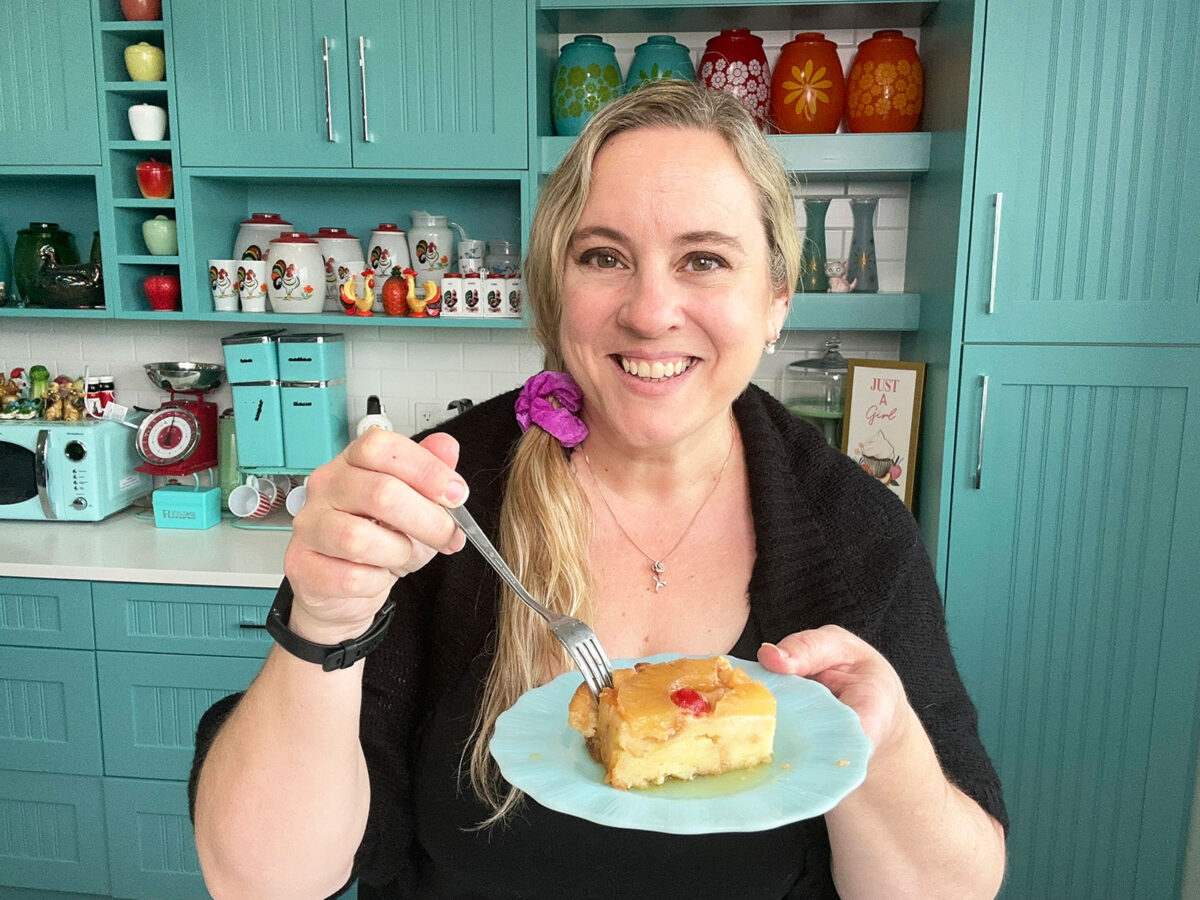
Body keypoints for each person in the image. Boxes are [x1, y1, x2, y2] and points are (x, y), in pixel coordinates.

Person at [190, 80, 1007, 899]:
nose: (651, 312)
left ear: (776, 303)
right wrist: (320, 626)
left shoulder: (854, 531)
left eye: (706, 260)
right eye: (604, 257)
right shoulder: (441, 500)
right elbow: (260, 882)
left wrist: (888, 744)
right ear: (555, 292)